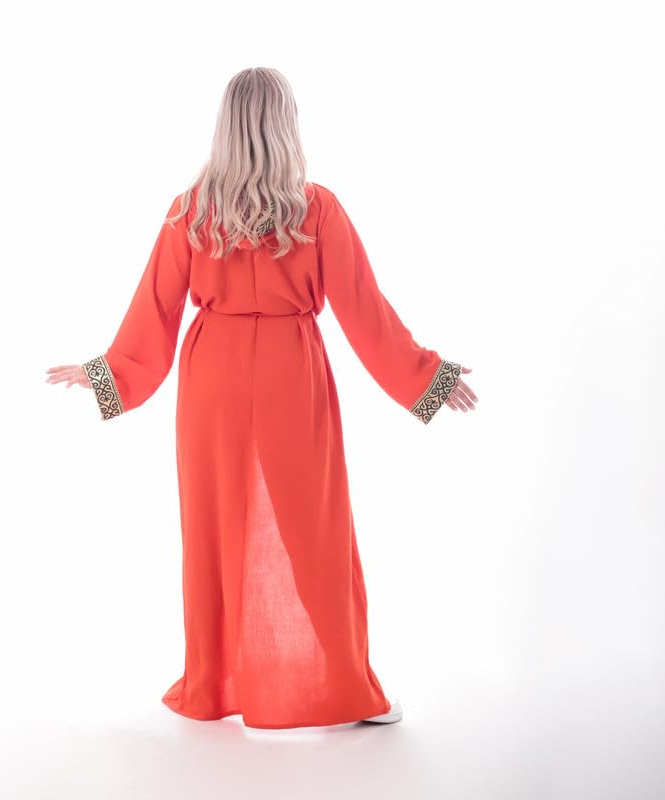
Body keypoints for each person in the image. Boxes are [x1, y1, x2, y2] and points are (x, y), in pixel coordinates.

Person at [46, 66, 478, 730]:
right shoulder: (315, 209)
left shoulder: (192, 211)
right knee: (317, 531)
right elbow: (365, 312)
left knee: (213, 531)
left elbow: (156, 310)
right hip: (289, 373)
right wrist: (428, 377)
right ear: (285, 124)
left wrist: (107, 372)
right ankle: (347, 688)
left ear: (225, 125)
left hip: (212, 379)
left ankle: (212, 686)